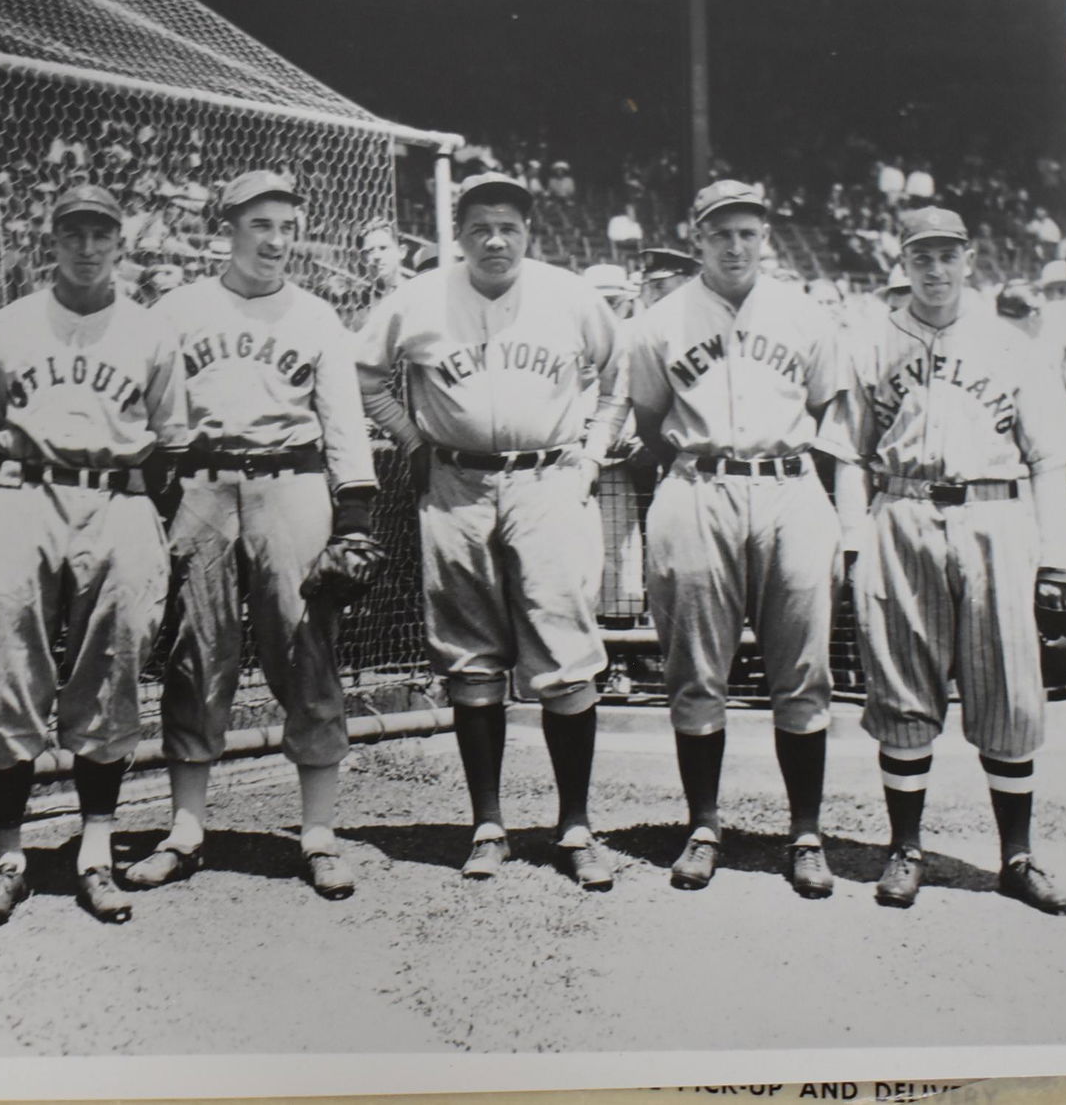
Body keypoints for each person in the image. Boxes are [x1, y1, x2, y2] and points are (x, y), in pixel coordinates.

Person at [356, 172, 629, 890]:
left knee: (566, 652)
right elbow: (364, 376)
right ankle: (487, 823)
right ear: (461, 232)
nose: (495, 239)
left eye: (508, 225)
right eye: (480, 226)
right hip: (457, 481)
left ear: (529, 230)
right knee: (469, 657)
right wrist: (411, 441)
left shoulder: (569, 295)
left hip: (547, 477)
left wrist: (593, 452)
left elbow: (619, 374)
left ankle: (574, 825)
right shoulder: (417, 299)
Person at [819, 207, 1066, 914]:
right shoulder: (871, 340)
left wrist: (1056, 554)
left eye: (947, 255)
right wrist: (853, 542)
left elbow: (1052, 456)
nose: (935, 269)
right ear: (902, 263)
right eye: (921, 256)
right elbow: (849, 453)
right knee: (902, 685)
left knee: (1007, 683)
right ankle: (905, 847)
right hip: (902, 509)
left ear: (969, 258)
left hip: (996, 512)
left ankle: (1018, 856)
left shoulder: (1011, 344)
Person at [129, 170, 378, 900]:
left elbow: (343, 420)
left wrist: (355, 511)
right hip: (201, 483)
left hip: (292, 481)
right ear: (228, 228)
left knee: (307, 646)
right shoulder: (178, 309)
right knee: (194, 653)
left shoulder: (317, 315)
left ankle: (320, 833)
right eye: (260, 224)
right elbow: (150, 412)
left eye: (287, 226)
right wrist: (153, 495)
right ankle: (185, 829)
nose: (276, 240)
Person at [0, 185, 189, 927]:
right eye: (73, 232)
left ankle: (95, 851)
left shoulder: (151, 331)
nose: (87, 246)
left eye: (101, 233)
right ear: (49, 240)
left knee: (116, 662)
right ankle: (8, 856)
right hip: (25, 491)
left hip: (119, 497)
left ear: (120, 243)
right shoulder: (7, 325)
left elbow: (173, 443)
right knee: (5, 658)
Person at [627, 179, 841, 899]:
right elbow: (651, 420)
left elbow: (825, 411)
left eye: (748, 232)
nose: (735, 244)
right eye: (721, 232)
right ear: (698, 240)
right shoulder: (661, 320)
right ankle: (704, 823)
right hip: (698, 482)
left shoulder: (807, 314)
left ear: (766, 237)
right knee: (694, 669)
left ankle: (806, 832)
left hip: (789, 482)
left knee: (804, 670)